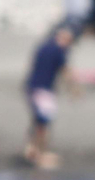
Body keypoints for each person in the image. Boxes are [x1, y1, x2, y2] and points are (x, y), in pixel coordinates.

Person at [23, 25, 77, 169]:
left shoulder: (43, 47)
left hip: (32, 87)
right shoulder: (59, 51)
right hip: (43, 90)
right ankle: (39, 156)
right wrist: (73, 90)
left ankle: (32, 150)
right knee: (43, 124)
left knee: (37, 121)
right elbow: (66, 72)